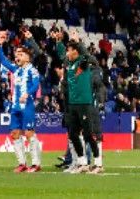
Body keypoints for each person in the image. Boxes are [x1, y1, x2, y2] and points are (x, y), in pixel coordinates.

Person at [54, 28, 101, 174]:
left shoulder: (83, 62)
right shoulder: (69, 64)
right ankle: (82, 163)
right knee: (73, 134)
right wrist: (58, 41)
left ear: (75, 51)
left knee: (88, 134)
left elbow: (87, 55)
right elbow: (62, 54)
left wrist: (78, 41)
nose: (67, 53)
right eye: (67, 51)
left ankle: (98, 163)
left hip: (84, 103)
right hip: (72, 104)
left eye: (70, 50)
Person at [0, 30, 42, 173]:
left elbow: (36, 84)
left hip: (27, 106)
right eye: (16, 54)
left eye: (20, 54)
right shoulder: (15, 69)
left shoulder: (32, 70)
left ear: (27, 58)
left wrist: (28, 93)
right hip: (15, 106)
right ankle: (22, 163)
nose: (17, 56)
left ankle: (36, 163)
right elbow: (2, 60)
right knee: (15, 134)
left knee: (29, 134)